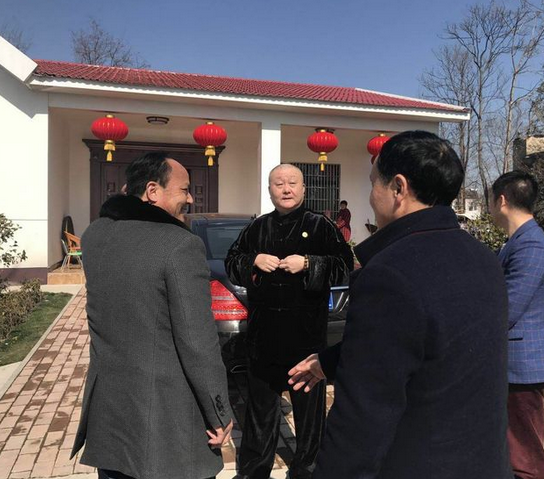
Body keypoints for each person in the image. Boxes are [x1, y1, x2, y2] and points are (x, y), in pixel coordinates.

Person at [288, 131, 513, 479]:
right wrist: (331, 361)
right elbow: (434, 341)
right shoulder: (483, 258)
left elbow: (363, 417)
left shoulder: (390, 272)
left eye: (373, 183)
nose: (371, 196)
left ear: (398, 188)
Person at [71, 152, 233, 479]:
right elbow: (198, 343)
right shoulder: (180, 245)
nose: (190, 198)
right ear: (152, 191)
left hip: (110, 417)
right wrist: (219, 412)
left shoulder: (95, 235)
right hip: (167, 424)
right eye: (184, 189)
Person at [225, 164, 353, 479]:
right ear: (269, 190)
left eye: (292, 182)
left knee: (310, 415)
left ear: (304, 188)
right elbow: (232, 263)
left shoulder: (321, 225)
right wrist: (253, 260)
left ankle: (307, 468)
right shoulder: (257, 228)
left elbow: (344, 265)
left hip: (305, 340)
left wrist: (309, 263)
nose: (286, 189)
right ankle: (255, 469)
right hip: (264, 339)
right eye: (279, 183)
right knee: (260, 413)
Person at [489, 171, 544, 479]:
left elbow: (507, 308)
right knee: (512, 454)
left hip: (522, 365)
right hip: (513, 365)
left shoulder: (532, 246)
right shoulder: (517, 242)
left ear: (501, 200)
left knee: (525, 460)